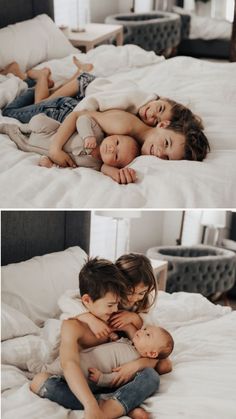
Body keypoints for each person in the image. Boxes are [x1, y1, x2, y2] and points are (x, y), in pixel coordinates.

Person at [30, 258, 160, 419]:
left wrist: (135, 365)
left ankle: (109, 407)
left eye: (119, 303)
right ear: (86, 301)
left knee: (151, 376)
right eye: (111, 304)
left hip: (112, 379)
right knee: (40, 381)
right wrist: (90, 406)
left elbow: (157, 357)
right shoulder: (73, 325)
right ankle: (114, 406)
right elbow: (69, 364)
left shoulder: (119, 321)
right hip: (79, 384)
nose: (117, 309)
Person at [58, 253, 172, 383]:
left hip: (136, 340)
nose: (134, 298)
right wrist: (90, 319)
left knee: (165, 365)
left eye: (141, 293)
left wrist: (135, 318)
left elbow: (152, 330)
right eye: (129, 292)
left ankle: (134, 367)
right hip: (112, 340)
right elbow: (65, 299)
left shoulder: (142, 303)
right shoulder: (105, 292)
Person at [0, 113, 140, 183]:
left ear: (114, 164)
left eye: (115, 156)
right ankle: (23, 127)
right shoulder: (97, 134)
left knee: (20, 142)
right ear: (113, 134)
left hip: (39, 149)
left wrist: (52, 165)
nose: (111, 149)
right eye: (116, 142)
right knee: (37, 123)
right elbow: (82, 119)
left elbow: (73, 168)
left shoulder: (96, 166)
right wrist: (87, 136)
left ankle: (8, 129)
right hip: (51, 132)